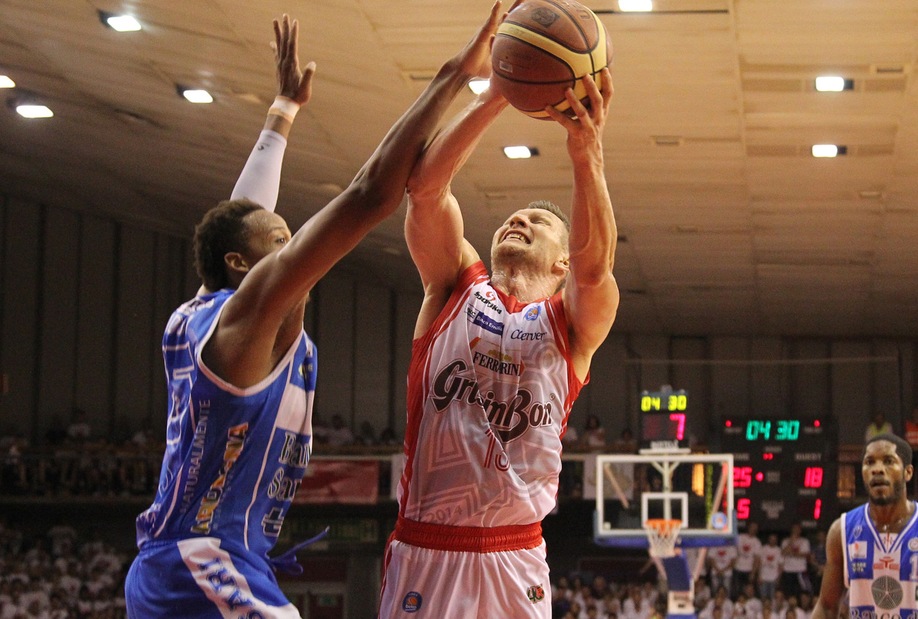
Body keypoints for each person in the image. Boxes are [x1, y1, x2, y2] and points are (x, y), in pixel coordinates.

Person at [124, 7, 505, 618]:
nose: (294, 245)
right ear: (243, 268)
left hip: (202, 560)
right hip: (198, 564)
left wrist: (282, 113)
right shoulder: (239, 329)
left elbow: (242, 209)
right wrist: (456, 75)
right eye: (281, 242)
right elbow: (369, 195)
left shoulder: (207, 306)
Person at [376, 23, 618, 617]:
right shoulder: (454, 285)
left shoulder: (570, 322)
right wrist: (497, 97)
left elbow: (595, 270)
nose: (521, 221)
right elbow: (426, 191)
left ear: (561, 258)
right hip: (428, 546)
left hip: (515, 556)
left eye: (539, 223)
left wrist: (586, 155)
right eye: (514, 216)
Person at [811, 433, 917, 619]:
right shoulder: (842, 530)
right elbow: (827, 607)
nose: (877, 469)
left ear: (907, 472)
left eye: (888, 461)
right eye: (870, 462)